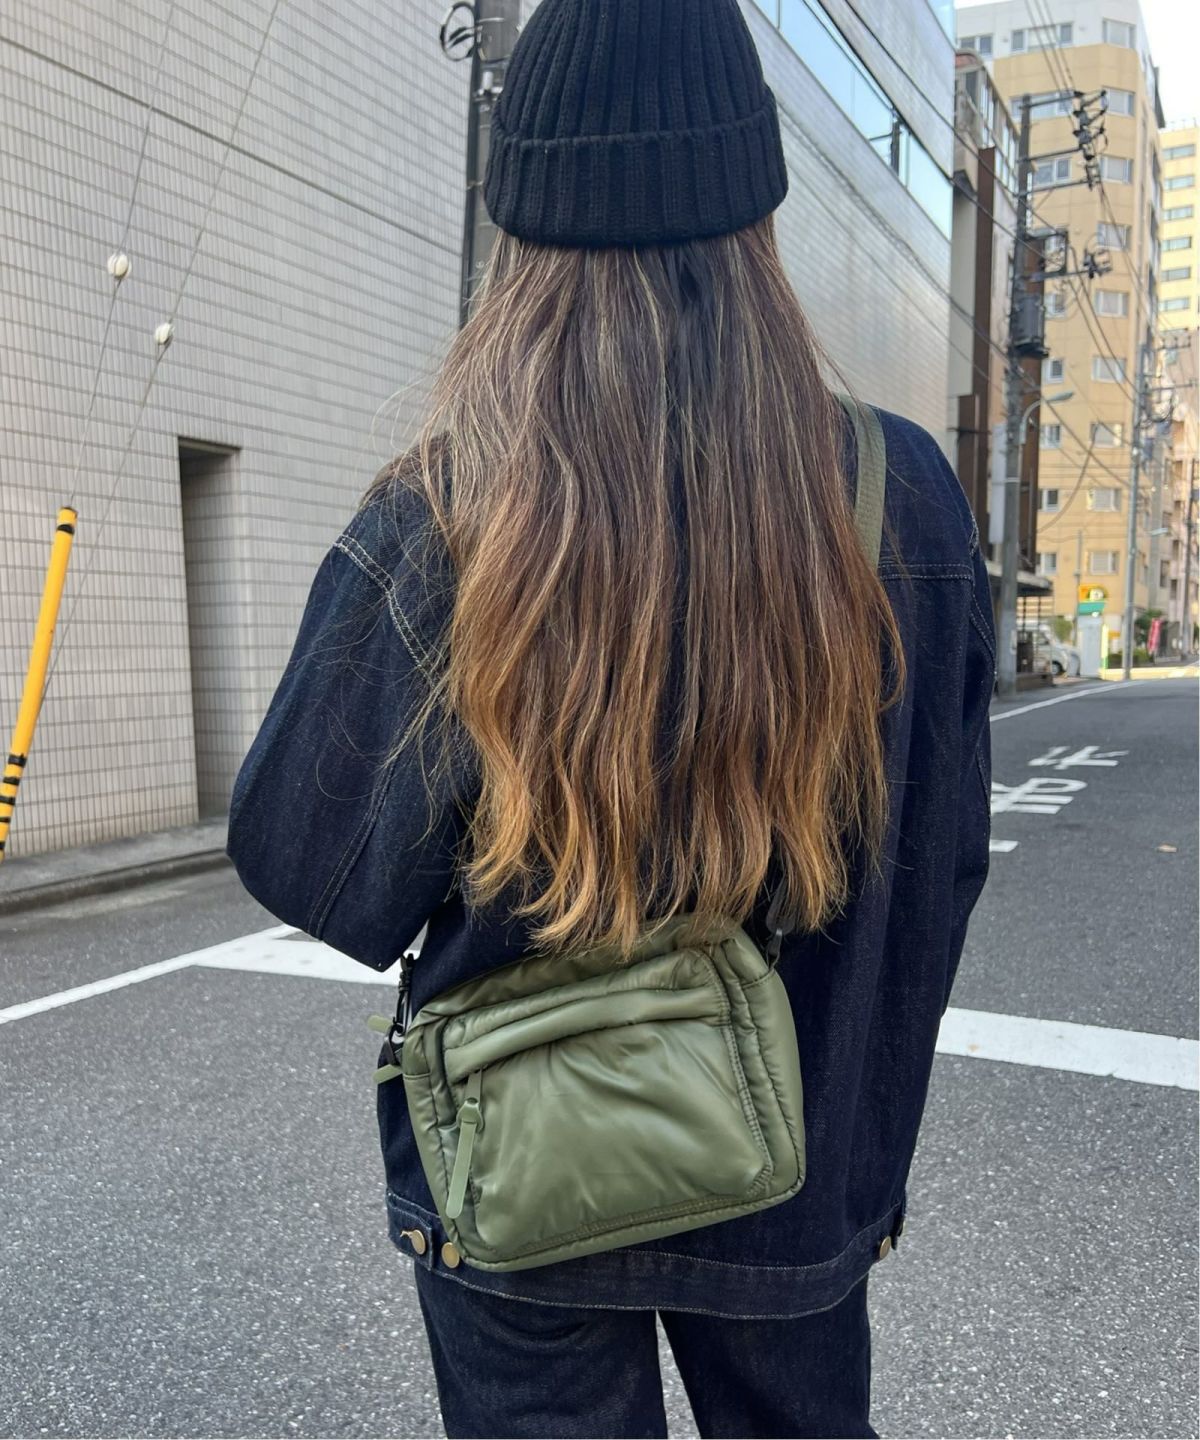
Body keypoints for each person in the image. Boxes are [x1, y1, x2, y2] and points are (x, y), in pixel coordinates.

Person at [225, 0, 995, 1434]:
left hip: (524, 1169)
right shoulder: (903, 504)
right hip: (800, 1166)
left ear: (521, 232)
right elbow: (940, 872)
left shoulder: (449, 513)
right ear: (754, 213)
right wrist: (861, 1157)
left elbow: (306, 864)